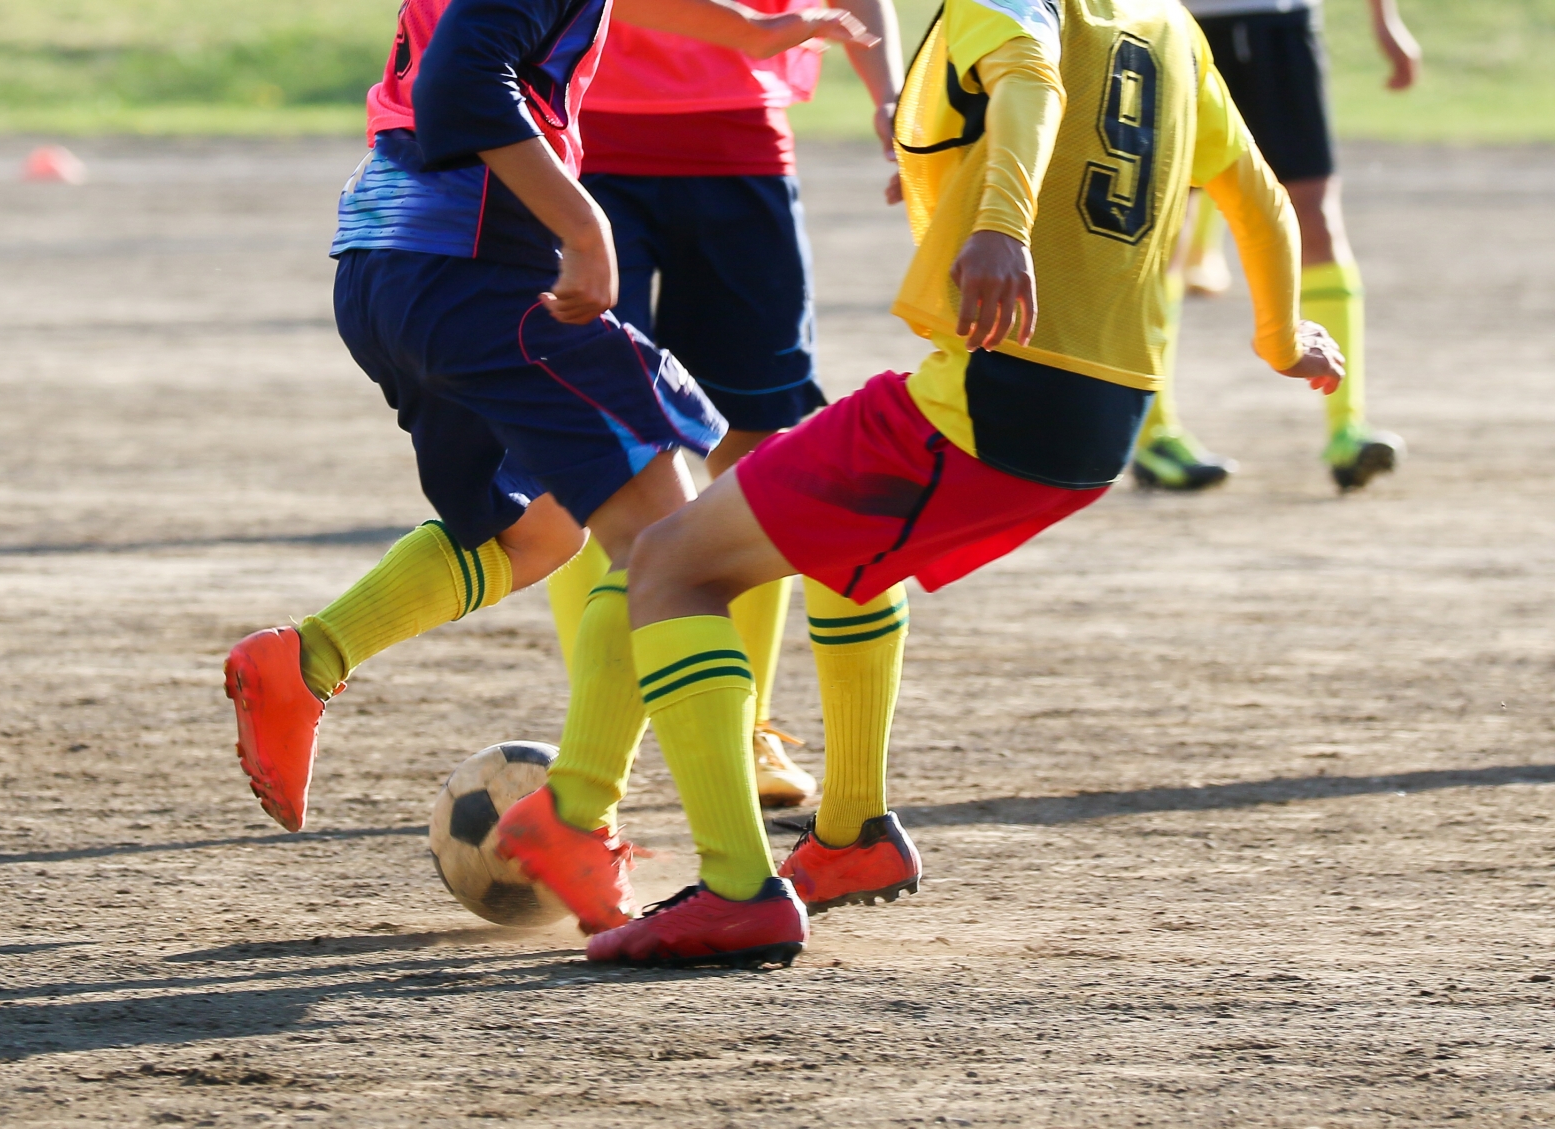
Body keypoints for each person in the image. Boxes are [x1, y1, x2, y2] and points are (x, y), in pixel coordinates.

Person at [510, 0, 1347, 966]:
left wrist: (1000, 227)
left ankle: (727, 885)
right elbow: (1253, 185)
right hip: (1103, 415)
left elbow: (1030, 80)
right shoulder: (1165, 24)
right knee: (835, 546)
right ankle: (855, 835)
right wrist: (1283, 337)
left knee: (667, 564)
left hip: (985, 396)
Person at [220, 0, 869, 844]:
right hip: (474, 269)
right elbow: (465, 77)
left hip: (392, 264)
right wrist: (584, 223)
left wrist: (745, 31)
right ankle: (695, 867)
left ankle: (308, 660)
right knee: (677, 552)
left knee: (538, 531)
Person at [541, 0, 905, 811]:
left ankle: (744, 719)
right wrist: (747, 30)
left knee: (759, 437)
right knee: (596, 440)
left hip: (744, 137)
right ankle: (607, 731)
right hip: (577, 133)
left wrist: (889, 88)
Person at [1132, 0, 1420, 492]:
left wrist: (1384, 18)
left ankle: (1347, 429)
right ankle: (1153, 434)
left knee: (1316, 218)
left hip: (1279, 22)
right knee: (1164, 227)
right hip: (1171, 24)